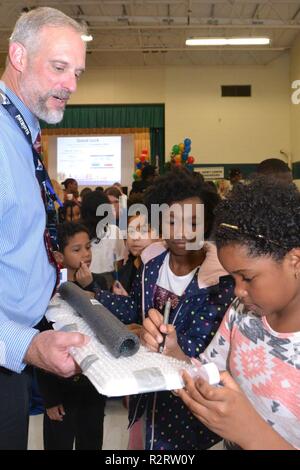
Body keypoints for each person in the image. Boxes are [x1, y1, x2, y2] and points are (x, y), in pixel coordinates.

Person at [142, 177, 300, 450]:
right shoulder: (242, 313)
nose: (237, 291)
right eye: (233, 278)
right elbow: (209, 372)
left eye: (247, 278)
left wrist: (251, 434)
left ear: (294, 260)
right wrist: (175, 352)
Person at [94, 169, 234, 450]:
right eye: (171, 221)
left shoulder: (220, 282)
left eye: (192, 222)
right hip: (145, 398)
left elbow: (208, 352)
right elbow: (136, 308)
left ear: (207, 222)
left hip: (187, 413)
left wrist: (165, 343)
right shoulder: (152, 265)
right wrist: (93, 297)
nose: (181, 232)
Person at [0, 7, 88, 449]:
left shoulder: (21, 132)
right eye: (58, 67)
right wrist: (28, 347)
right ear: (18, 55)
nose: (70, 85)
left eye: (77, 72)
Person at [37, 222, 107, 450]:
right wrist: (50, 398)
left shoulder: (101, 282)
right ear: (59, 256)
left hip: (94, 382)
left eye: (88, 247)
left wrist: (93, 287)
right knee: (59, 441)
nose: (85, 254)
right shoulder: (49, 290)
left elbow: (109, 326)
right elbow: (41, 342)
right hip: (59, 385)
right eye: (76, 250)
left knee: (91, 439)